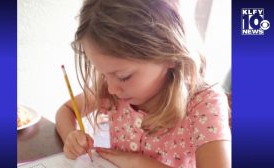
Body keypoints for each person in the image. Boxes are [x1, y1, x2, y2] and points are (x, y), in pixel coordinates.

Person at [55, 0, 231, 167]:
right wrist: (71, 135)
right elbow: (67, 110)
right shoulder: (111, 92)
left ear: (170, 54)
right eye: (103, 74)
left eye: (124, 76)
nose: (111, 88)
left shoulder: (203, 104)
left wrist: (137, 163)